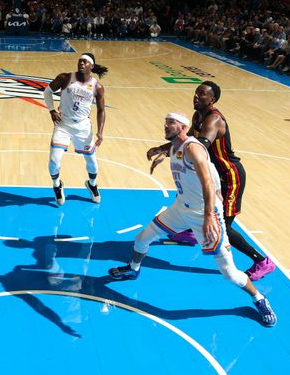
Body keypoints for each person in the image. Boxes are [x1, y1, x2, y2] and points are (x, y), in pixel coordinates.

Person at [109, 113, 277, 327]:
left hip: (204, 213)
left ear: (183, 127)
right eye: (165, 122)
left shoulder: (193, 148)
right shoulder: (177, 147)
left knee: (229, 274)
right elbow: (173, 151)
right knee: (141, 239)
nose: (166, 125)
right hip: (181, 208)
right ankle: (133, 269)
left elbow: (207, 181)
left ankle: (259, 299)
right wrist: (160, 152)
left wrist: (208, 216)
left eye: (171, 123)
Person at [147, 81, 275, 280]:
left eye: (202, 94)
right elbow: (185, 138)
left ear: (212, 99)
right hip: (212, 172)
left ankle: (262, 261)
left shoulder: (214, 120)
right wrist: (162, 148)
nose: (196, 96)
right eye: (196, 92)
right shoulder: (198, 115)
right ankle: (191, 232)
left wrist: (170, 152)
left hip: (229, 177)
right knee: (193, 198)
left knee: (224, 227)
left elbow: (199, 145)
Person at [43, 53, 107, 205]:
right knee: (53, 161)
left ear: (91, 66)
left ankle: (92, 184)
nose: (81, 63)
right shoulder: (65, 78)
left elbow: (101, 110)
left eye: (85, 62)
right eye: (80, 61)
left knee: (91, 162)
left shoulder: (97, 86)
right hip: (63, 125)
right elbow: (47, 91)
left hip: (83, 128)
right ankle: (57, 185)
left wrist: (100, 132)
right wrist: (52, 110)